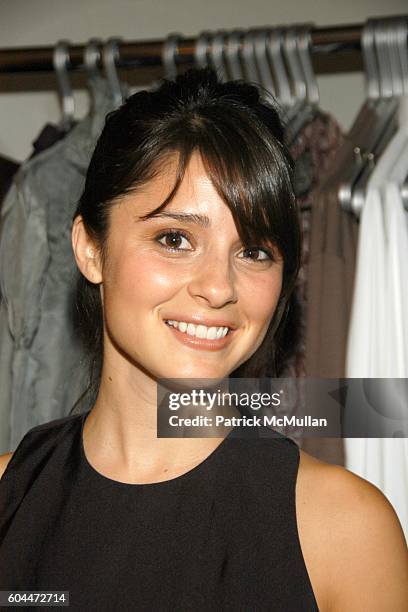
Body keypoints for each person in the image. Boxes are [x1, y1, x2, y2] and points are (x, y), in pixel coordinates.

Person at [0, 67, 407, 611]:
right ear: (91, 249)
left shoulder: (344, 530)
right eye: (174, 238)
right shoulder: (10, 493)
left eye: (255, 251)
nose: (219, 288)